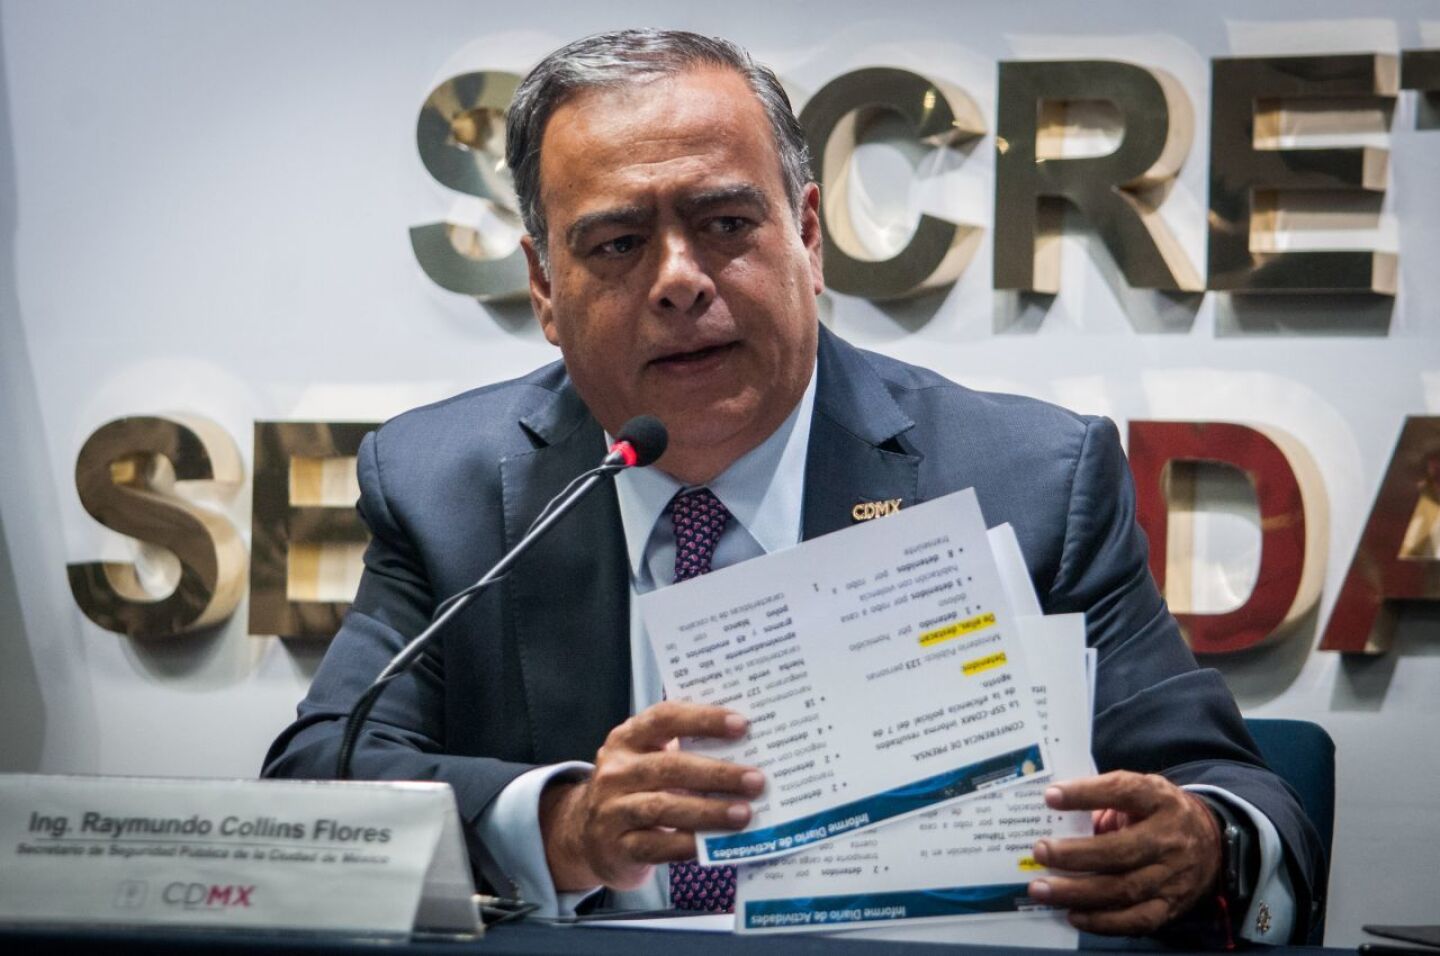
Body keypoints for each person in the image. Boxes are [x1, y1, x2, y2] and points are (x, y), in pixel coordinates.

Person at [264, 29, 1323, 942]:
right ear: (546, 287)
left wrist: (1201, 844)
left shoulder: (1025, 478)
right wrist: (562, 826)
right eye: (620, 243)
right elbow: (319, 784)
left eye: (726, 224)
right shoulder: (441, 486)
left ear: (808, 237)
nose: (680, 279)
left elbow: (1241, 795)